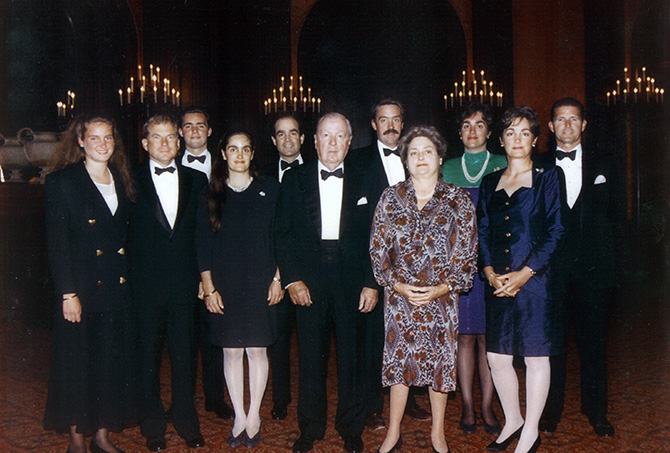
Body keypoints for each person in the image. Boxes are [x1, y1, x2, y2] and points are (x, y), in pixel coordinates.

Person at [370, 125, 478, 453]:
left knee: (439, 366)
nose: (420, 157)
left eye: (427, 151)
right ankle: (393, 432)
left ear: (440, 158)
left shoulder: (458, 199)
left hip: (441, 299)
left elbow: (467, 254)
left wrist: (441, 288)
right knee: (398, 365)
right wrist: (397, 285)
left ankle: (437, 433)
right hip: (399, 299)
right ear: (405, 160)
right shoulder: (390, 198)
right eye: (413, 152)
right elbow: (378, 250)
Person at [275, 112, 378, 453]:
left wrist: (371, 282)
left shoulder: (367, 176)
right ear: (314, 140)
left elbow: (379, 237)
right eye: (326, 136)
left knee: (352, 358)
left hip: (353, 280)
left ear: (350, 142)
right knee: (310, 358)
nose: (332, 144)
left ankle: (351, 427)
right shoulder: (293, 178)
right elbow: (283, 234)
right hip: (309, 280)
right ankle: (310, 427)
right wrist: (292, 280)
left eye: (339, 137)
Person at [43, 112, 137, 453]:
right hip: (80, 290)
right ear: (80, 141)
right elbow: (57, 245)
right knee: (76, 366)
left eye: (108, 138)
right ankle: (77, 441)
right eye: (94, 138)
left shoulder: (122, 179)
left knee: (108, 365)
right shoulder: (62, 182)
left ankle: (101, 436)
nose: (102, 144)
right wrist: (68, 293)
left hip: (116, 288)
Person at [478, 106, 565, 453]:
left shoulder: (548, 176)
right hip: (497, 281)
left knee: (534, 357)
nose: (517, 139)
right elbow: (482, 230)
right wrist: (487, 271)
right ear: (500, 139)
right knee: (497, 357)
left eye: (524, 132)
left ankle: (530, 431)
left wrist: (526, 273)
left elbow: (557, 231)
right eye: (510, 133)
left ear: (533, 139)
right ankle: (512, 419)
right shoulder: (489, 181)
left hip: (536, 282)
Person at [540, 98, 621, 437]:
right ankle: (550, 412)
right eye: (561, 119)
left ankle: (597, 411)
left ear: (584, 125)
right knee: (551, 345)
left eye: (574, 119)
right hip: (552, 273)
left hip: (594, 273)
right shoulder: (538, 165)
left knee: (594, 345)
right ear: (550, 127)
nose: (568, 126)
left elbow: (617, 220)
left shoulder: (606, 162)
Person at [350, 99, 431, 431]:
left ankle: (408, 400)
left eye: (396, 119)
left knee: (408, 338)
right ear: (373, 124)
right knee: (373, 340)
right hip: (374, 267)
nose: (391, 125)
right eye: (384, 119)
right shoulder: (357, 162)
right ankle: (372, 406)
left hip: (414, 267)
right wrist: (369, 274)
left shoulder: (420, 157)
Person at [196, 131, 281, 449]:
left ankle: (254, 417)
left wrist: (277, 278)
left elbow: (280, 236)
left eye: (246, 149)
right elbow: (202, 242)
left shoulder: (270, 189)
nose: (240, 155)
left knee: (258, 350)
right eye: (233, 149)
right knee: (231, 352)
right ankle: (239, 417)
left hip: (261, 281)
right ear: (223, 154)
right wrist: (208, 286)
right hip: (226, 283)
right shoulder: (210, 194)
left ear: (253, 153)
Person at [128, 115, 206, 451]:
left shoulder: (196, 180)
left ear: (179, 142)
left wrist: (206, 277)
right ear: (144, 144)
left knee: (185, 355)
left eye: (170, 137)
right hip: (143, 286)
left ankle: (186, 420)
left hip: (185, 285)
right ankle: (152, 425)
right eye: (156, 138)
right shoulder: (128, 180)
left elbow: (204, 235)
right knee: (146, 356)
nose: (164, 144)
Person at [441, 102, 506, 436]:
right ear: (460, 131)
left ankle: (487, 406)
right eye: (466, 125)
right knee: (464, 337)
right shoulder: (447, 168)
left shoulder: (504, 163)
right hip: (460, 263)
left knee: (489, 338)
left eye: (479, 125)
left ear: (489, 131)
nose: (472, 131)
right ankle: (467, 405)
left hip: (495, 262)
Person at [177, 107, 234, 421]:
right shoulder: (167, 165)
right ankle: (182, 401)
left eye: (201, 125)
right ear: (181, 132)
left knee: (214, 337)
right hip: (180, 269)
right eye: (188, 126)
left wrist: (208, 275)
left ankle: (215, 398)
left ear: (210, 131)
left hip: (214, 266)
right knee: (182, 341)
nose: (195, 130)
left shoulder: (226, 168)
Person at [261, 114, 305, 421]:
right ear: (274, 140)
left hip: (309, 273)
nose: (287, 139)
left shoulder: (319, 170)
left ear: (303, 138)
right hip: (275, 273)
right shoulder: (261, 175)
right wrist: (277, 274)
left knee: (311, 343)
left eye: (293, 133)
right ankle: (281, 398)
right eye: (281, 134)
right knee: (277, 340)